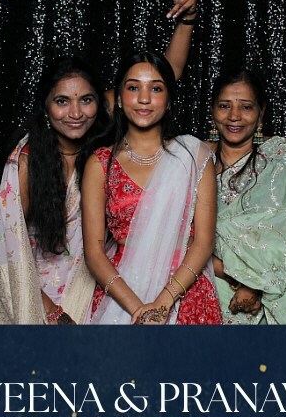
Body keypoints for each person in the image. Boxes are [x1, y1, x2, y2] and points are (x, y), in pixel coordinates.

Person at [0, 0, 198, 324]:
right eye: (62, 102)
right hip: (35, 293)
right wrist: (51, 313)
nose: (76, 113)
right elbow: (8, 251)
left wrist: (187, 19)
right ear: (46, 109)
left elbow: (162, 78)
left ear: (103, 101)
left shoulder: (102, 128)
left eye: (86, 100)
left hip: (91, 285)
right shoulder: (26, 162)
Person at [82, 47, 222, 323]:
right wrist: (138, 308)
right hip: (123, 291)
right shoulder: (100, 164)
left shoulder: (194, 156)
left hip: (184, 291)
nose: (144, 98)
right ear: (119, 98)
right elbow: (95, 254)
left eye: (156, 89)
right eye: (133, 88)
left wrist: (162, 303)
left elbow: (204, 242)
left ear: (169, 100)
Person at [211, 67, 286, 324]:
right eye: (224, 106)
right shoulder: (195, 159)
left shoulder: (282, 157)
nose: (234, 116)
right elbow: (182, 240)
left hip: (282, 296)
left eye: (246, 107)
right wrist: (243, 281)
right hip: (212, 288)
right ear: (212, 110)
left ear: (261, 113)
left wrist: (258, 284)